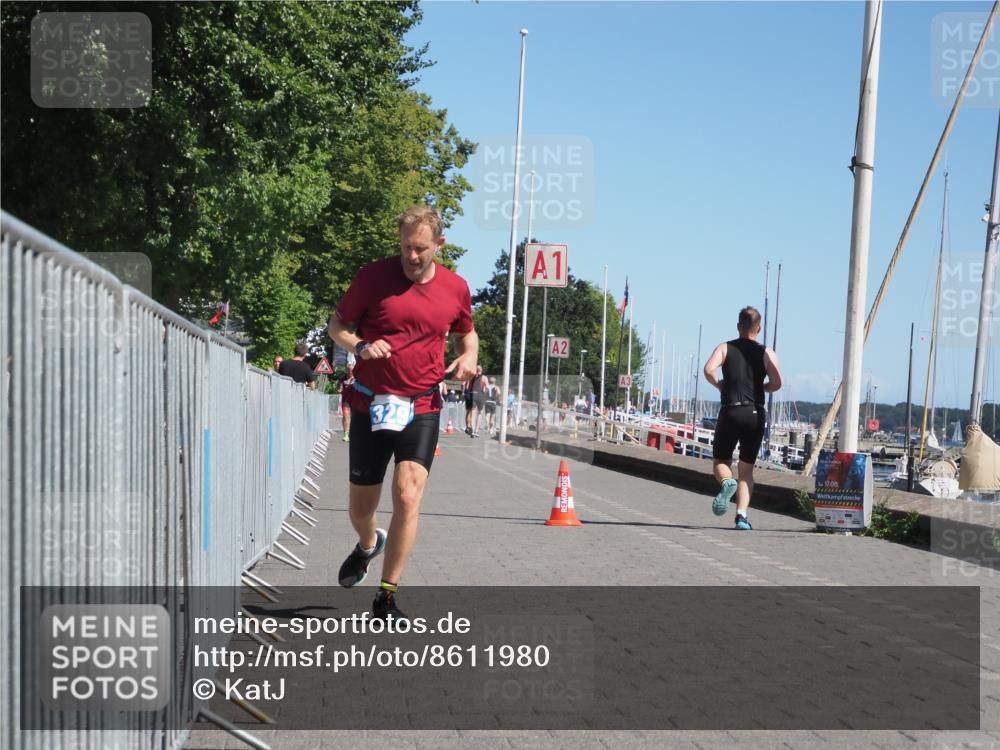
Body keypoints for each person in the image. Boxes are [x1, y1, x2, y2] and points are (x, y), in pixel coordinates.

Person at [328, 205, 477, 620]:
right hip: (369, 401)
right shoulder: (372, 277)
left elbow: (468, 333)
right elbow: (336, 325)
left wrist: (468, 358)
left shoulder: (456, 287)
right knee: (361, 508)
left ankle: (387, 596)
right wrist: (358, 346)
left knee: (408, 494)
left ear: (439, 245)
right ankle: (366, 544)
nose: (412, 257)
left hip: (423, 404)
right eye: (406, 247)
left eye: (421, 249)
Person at [702, 306, 782, 530]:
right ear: (759, 328)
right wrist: (762, 387)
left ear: (739, 326)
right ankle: (741, 517)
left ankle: (728, 483)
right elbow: (777, 383)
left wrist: (720, 385)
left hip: (731, 410)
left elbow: (708, 369)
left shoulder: (725, 347)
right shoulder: (766, 352)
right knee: (746, 470)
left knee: (721, 462)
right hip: (755, 413)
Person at [339, 356, 356, 443]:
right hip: (345, 400)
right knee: (346, 416)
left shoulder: (357, 378)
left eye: (351, 371)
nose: (350, 372)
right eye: (349, 371)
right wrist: (339, 390)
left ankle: (353, 433)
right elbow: (338, 387)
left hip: (355, 400)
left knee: (354, 418)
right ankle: (346, 434)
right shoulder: (343, 378)